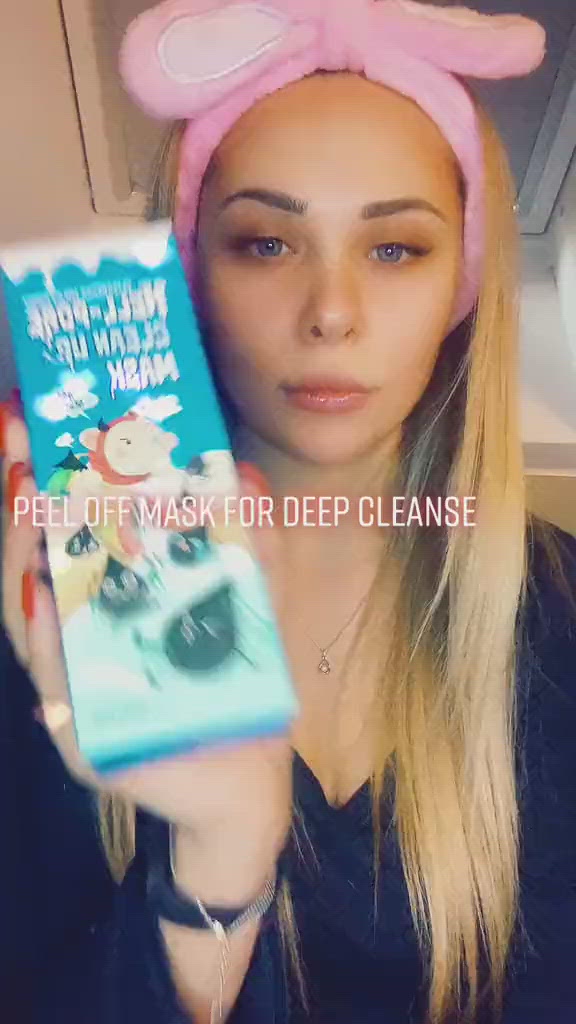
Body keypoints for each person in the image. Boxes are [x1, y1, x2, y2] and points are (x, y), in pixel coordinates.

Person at [2, 1, 576, 1022]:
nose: (331, 312)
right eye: (266, 243)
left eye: (395, 249)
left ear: (460, 286)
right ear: (192, 276)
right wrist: (214, 871)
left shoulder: (563, 614)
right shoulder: (42, 622)